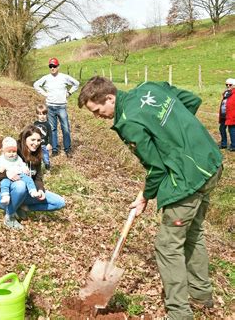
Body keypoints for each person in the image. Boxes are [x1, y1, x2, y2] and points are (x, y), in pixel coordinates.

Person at [78, 76, 223, 320]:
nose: (97, 116)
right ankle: (201, 295)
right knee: (194, 233)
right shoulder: (150, 88)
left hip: (187, 179)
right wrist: (175, 134)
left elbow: (156, 168)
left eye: (97, 110)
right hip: (210, 163)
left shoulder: (128, 122)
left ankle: (179, 313)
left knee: (168, 246)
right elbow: (191, 100)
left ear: (110, 98)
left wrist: (145, 197)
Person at [0, 125, 65, 230]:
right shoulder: (14, 150)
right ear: (25, 138)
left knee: (59, 202)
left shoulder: (37, 154)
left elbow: (38, 177)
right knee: (20, 184)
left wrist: (40, 189)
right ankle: (9, 216)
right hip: (7, 196)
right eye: (32, 139)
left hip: (29, 192)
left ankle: (22, 207)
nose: (36, 143)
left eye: (39, 140)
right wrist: (7, 173)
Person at [33, 57, 79, 158]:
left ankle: (67, 149)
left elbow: (76, 83)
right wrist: (45, 93)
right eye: (50, 66)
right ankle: (55, 149)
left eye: (54, 66)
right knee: (52, 129)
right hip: (50, 107)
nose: (52, 68)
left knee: (65, 128)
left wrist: (69, 92)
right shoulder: (46, 78)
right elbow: (36, 85)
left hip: (61, 106)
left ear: (58, 66)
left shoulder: (64, 77)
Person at [0, 137, 40, 207]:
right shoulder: (1, 159)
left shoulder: (17, 158)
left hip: (19, 174)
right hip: (7, 177)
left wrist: (25, 169)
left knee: (28, 179)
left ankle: (33, 191)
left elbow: (22, 164)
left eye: (14, 152)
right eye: (9, 152)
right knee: (4, 183)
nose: (12, 154)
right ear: (4, 152)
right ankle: (5, 196)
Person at [34, 104, 52, 169]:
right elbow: (33, 133)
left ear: (46, 114)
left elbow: (50, 135)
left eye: (44, 114)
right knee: (36, 157)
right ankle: (38, 169)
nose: (42, 116)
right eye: (40, 114)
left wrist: (50, 143)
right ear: (37, 114)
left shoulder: (48, 124)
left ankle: (48, 168)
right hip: (36, 144)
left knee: (46, 157)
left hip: (44, 145)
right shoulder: (35, 123)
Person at [218, 78, 235, 151]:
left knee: (232, 130)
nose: (228, 86)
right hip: (224, 115)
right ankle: (224, 144)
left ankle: (233, 146)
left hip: (232, 115)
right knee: (222, 128)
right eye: (226, 84)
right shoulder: (226, 93)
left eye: (230, 84)